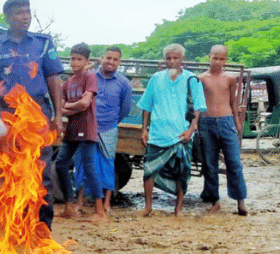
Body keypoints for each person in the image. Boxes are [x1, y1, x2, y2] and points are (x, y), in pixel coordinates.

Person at [0, 0, 65, 231]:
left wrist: (58, 116)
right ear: (8, 17)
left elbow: (54, 79)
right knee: (6, 170)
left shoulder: (43, 42)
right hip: (7, 115)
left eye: (27, 12)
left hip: (38, 114)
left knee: (41, 172)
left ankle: (41, 227)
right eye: (19, 13)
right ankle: (10, 227)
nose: (25, 17)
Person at [137, 43, 205, 217]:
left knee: (183, 170)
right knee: (149, 170)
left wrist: (191, 130)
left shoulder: (192, 79)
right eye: (169, 58)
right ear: (164, 60)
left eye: (176, 58)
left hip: (182, 134)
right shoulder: (156, 78)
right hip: (158, 134)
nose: (172, 61)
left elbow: (197, 108)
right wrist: (144, 129)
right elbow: (147, 106)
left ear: (182, 60)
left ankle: (179, 208)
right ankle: (148, 207)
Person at [196, 45, 249, 216]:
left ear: (226, 60)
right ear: (209, 57)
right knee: (210, 164)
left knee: (234, 163)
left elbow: (233, 101)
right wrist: (196, 123)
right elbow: (197, 103)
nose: (218, 62)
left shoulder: (230, 78)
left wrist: (237, 122)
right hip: (206, 122)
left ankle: (240, 201)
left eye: (221, 59)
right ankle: (215, 200)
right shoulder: (201, 78)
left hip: (227, 122)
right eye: (215, 58)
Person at [55, 43, 102, 220]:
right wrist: (73, 107)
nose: (75, 62)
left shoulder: (90, 78)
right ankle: (69, 205)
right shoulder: (67, 83)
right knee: (60, 164)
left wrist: (68, 107)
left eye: (79, 59)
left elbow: (85, 103)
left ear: (86, 61)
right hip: (72, 129)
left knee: (90, 167)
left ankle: (100, 210)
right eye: (73, 58)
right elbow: (62, 108)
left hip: (87, 128)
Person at [93, 47, 132, 212]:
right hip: (89, 127)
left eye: (115, 59)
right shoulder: (90, 77)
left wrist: (113, 122)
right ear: (102, 58)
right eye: (108, 58)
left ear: (119, 62)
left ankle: (106, 202)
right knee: (88, 164)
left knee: (108, 164)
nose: (111, 62)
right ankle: (86, 202)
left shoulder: (123, 83)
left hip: (109, 128)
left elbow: (125, 108)